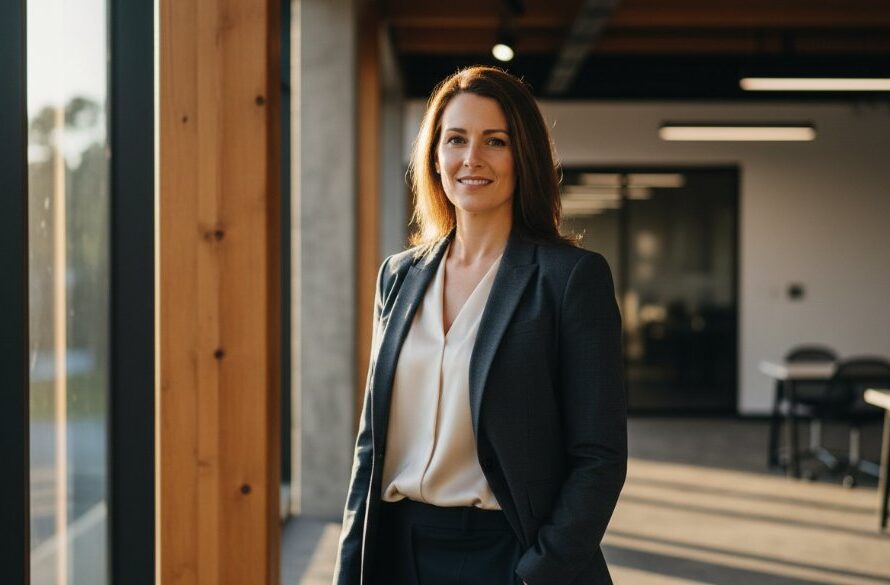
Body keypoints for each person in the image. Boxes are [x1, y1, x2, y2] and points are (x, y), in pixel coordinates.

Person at [333, 65, 626, 585]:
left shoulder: (569, 279)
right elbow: (371, 446)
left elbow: (599, 457)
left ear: (525, 155)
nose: (472, 159)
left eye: (495, 141)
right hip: (399, 550)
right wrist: (349, 568)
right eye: (456, 140)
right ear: (435, 156)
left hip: (507, 554)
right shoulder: (399, 275)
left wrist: (538, 572)